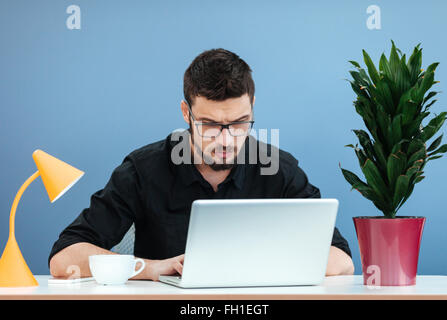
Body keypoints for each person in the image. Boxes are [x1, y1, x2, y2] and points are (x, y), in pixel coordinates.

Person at [49, 48, 354, 280]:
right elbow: (64, 259)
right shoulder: (143, 170)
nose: (227, 139)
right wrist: (154, 268)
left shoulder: (278, 169)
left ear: (252, 108)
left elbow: (341, 260)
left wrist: (252, 266)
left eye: (239, 123)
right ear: (186, 113)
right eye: (210, 124)